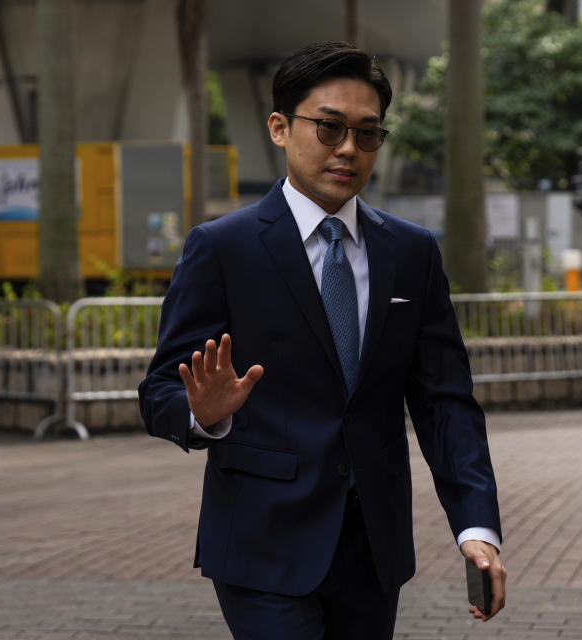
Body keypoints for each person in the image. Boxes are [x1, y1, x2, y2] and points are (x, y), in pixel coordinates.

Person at [138, 41, 504, 639]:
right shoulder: (223, 248)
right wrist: (202, 416)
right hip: (262, 543)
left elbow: (445, 402)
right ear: (280, 128)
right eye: (329, 127)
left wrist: (477, 529)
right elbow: (159, 391)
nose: (348, 149)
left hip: (373, 547)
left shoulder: (411, 253)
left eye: (367, 134)